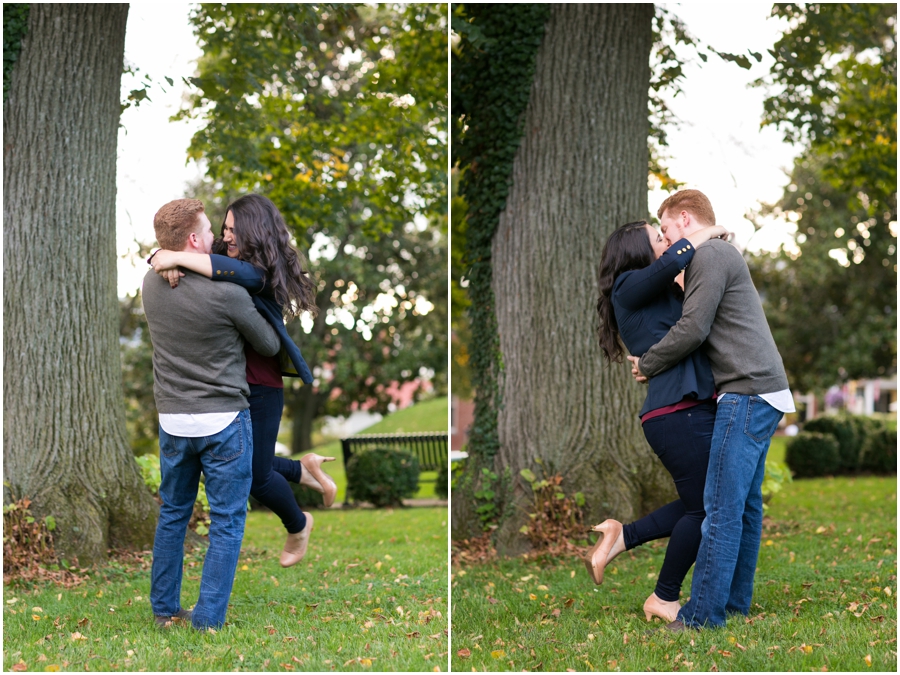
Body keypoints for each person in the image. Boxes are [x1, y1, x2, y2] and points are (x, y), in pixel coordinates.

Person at [629, 189, 795, 631]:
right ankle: (735, 604)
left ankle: (701, 617)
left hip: (745, 392)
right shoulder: (719, 255)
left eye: (664, 229)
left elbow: (693, 328)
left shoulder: (711, 256)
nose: (665, 241)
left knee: (719, 508)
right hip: (763, 389)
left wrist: (647, 363)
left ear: (684, 219)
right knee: (744, 508)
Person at [149, 194, 335, 569]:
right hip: (220, 383)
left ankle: (299, 524)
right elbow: (180, 241)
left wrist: (177, 259)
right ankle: (304, 470)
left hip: (259, 382)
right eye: (224, 228)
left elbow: (241, 276)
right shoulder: (220, 253)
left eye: (234, 230)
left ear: (255, 232)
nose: (226, 236)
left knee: (254, 475)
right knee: (245, 463)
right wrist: (157, 256)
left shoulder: (263, 270)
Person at [144, 198, 281, 631]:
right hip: (223, 420)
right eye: (209, 231)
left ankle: (165, 612)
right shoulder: (228, 293)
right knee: (226, 522)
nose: (217, 239)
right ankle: (207, 621)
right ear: (191, 239)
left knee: (172, 515)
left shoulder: (150, 284)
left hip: (172, 420)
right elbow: (270, 346)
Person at [589, 219, 728, 623]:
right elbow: (677, 257)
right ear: (637, 249)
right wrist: (711, 230)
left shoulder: (655, 294)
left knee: (699, 503)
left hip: (684, 407)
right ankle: (664, 596)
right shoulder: (627, 285)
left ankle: (622, 536)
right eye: (658, 238)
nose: (666, 241)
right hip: (675, 412)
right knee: (703, 508)